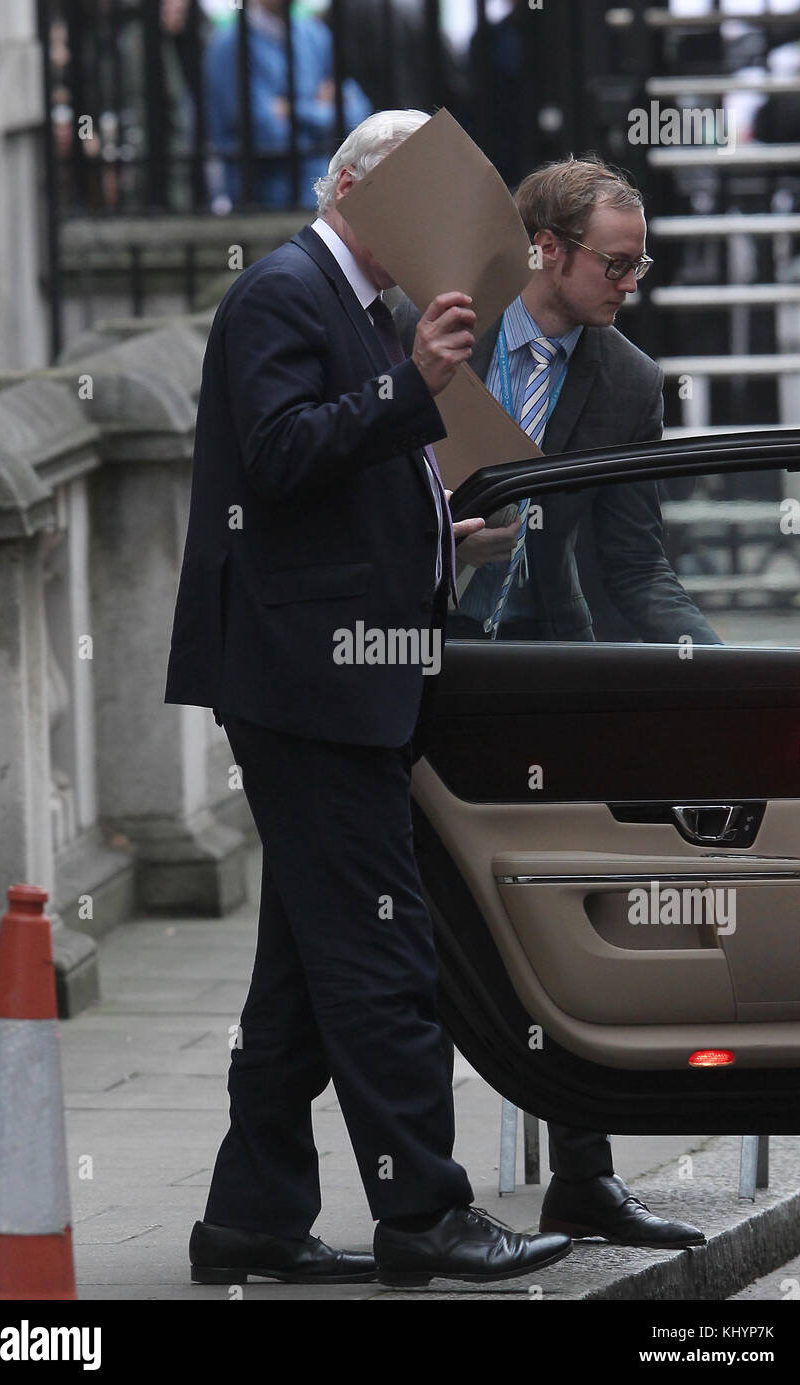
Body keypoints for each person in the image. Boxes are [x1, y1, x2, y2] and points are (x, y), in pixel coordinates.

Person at [164, 108, 573, 1286]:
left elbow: (338, 491)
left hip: (343, 672)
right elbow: (283, 455)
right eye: (415, 192)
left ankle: (250, 1218)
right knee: (385, 958)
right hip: (310, 683)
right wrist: (418, 381)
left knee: (302, 974)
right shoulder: (283, 295)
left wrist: (444, 530)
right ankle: (424, 1214)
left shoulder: (357, 306)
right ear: (351, 189)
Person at [393, 154, 713, 1247]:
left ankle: (585, 1175)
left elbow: (635, 562)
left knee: (570, 906)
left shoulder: (624, 379)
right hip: (425, 650)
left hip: (542, 658)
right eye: (616, 264)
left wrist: (704, 667)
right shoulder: (444, 328)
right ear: (549, 251)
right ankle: (420, 1192)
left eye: (639, 264)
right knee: (416, 916)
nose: (632, 282)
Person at [205, 0, 371, 209]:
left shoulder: (315, 34)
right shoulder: (228, 44)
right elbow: (264, 131)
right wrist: (320, 110)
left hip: (321, 195)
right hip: (262, 201)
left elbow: (357, 113)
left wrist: (292, 110)